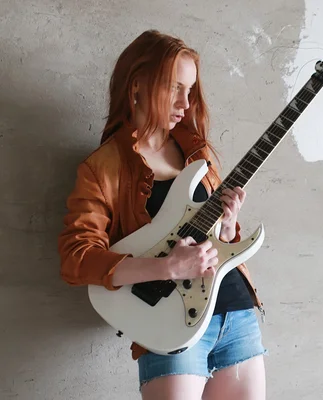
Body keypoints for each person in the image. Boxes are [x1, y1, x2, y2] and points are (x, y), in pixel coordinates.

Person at [57, 30, 267, 400]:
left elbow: (219, 241)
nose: (185, 103)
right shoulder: (102, 168)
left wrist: (230, 226)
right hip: (169, 330)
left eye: (190, 90)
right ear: (137, 85)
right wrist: (168, 268)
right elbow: (78, 259)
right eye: (174, 88)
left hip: (236, 314)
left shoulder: (196, 151)